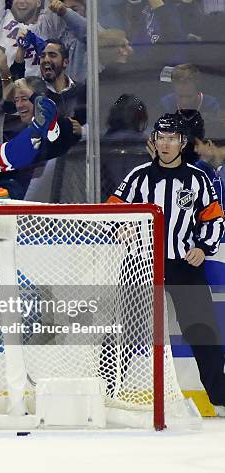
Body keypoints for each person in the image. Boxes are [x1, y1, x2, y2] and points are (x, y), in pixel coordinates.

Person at [107, 113, 225, 417]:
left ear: (182, 142)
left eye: (172, 138)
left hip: (183, 266)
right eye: (161, 137)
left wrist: (202, 247)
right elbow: (111, 211)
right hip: (141, 264)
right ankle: (105, 392)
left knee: (203, 331)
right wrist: (121, 227)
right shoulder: (139, 176)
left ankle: (220, 398)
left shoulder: (198, 179)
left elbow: (213, 219)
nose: (166, 143)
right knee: (124, 331)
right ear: (153, 141)